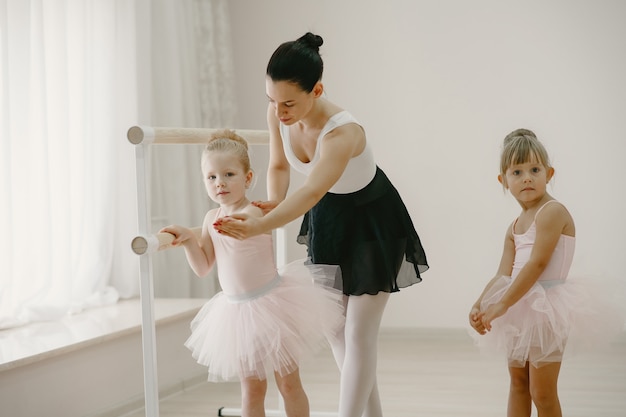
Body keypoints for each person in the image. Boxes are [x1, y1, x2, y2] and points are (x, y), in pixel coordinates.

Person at [213, 32, 429, 417]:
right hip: (330, 219)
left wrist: (262, 226)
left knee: (359, 333)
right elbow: (279, 166)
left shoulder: (343, 132)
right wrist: (275, 201)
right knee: (335, 329)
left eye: (288, 103)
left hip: (372, 221)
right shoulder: (278, 112)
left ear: (317, 90)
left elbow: (312, 189)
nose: (279, 112)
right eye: (272, 101)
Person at [160, 129, 345, 417]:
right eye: (211, 177)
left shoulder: (255, 211)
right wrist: (187, 239)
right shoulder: (210, 219)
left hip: (273, 306)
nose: (220, 183)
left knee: (288, 383)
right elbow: (203, 266)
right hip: (237, 315)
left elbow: (247, 224)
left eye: (229, 174)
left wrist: (236, 220)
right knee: (252, 389)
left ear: (247, 178)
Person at [469, 128, 622, 417]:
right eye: (517, 172)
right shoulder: (514, 226)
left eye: (534, 169)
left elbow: (537, 264)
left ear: (549, 173)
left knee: (542, 391)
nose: (526, 177)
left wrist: (501, 304)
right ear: (503, 180)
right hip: (518, 307)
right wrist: (481, 302)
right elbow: (503, 273)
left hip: (547, 308)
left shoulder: (552, 212)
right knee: (518, 383)